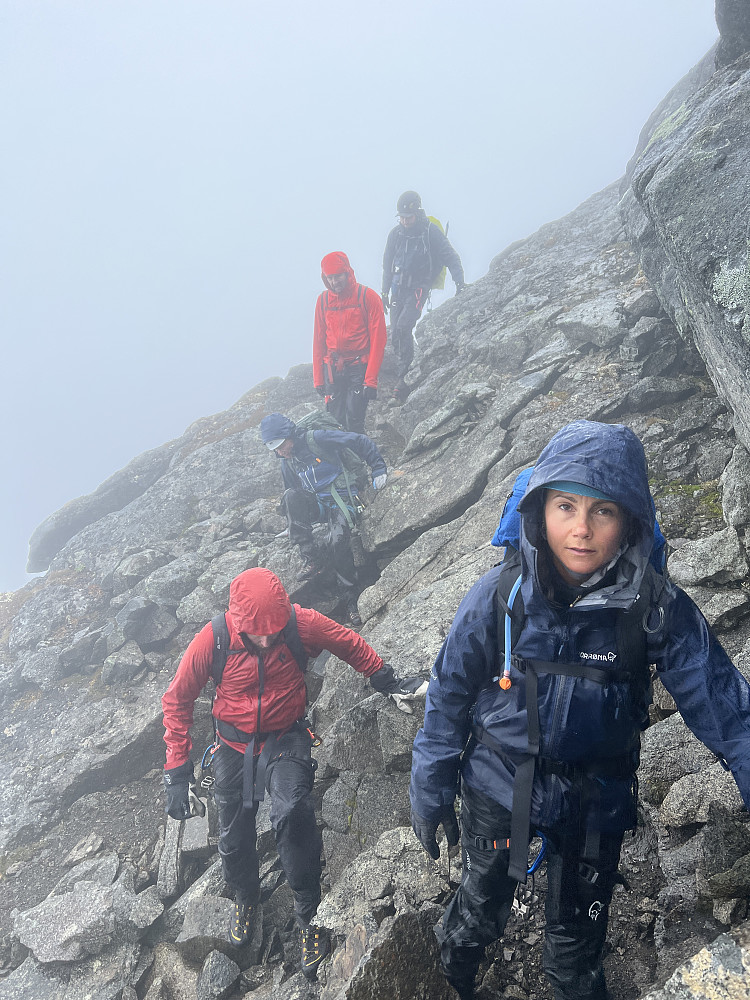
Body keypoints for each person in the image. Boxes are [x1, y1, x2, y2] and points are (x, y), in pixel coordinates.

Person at [409, 420, 750, 1000]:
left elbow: (723, 706)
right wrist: (431, 784)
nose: (582, 530)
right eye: (565, 505)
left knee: (574, 957)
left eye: (604, 511)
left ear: (631, 521)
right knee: (478, 910)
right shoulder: (500, 595)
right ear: (539, 508)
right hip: (499, 786)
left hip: (597, 799)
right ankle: (456, 979)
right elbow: (448, 696)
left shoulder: (654, 605)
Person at [162, 567, 424, 979]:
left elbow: (347, 642)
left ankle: (309, 915)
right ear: (238, 622)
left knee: (292, 813)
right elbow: (177, 701)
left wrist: (386, 680)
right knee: (231, 831)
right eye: (256, 633)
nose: (267, 640)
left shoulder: (299, 624)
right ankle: (246, 896)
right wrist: (176, 771)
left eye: (274, 630)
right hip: (231, 744)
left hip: (287, 736)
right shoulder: (212, 640)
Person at [260, 410, 387, 626]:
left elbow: (359, 440)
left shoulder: (317, 438)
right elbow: (293, 494)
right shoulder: (287, 461)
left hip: (342, 497)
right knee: (289, 496)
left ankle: (351, 600)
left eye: (282, 445)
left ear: (291, 435)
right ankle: (312, 558)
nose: (280, 452)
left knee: (337, 541)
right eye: (276, 448)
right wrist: (294, 523)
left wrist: (378, 468)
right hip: (319, 505)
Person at [382, 191, 466, 402]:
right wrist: (384, 292)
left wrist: (460, 282)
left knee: (403, 327)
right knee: (395, 335)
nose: (404, 221)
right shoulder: (395, 235)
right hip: (396, 288)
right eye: (401, 217)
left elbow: (450, 256)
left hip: (419, 287)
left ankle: (402, 382)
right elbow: (387, 266)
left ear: (417, 212)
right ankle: (407, 368)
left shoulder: (430, 232)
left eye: (408, 217)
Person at [313, 251, 387, 434]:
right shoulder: (322, 301)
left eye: (337, 276)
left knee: (354, 418)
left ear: (347, 272)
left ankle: (360, 458)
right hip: (332, 369)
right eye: (329, 278)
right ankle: (344, 459)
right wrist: (318, 378)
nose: (333, 282)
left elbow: (379, 340)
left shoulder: (367, 297)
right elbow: (318, 340)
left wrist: (370, 380)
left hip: (358, 367)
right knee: (334, 421)